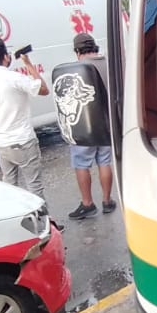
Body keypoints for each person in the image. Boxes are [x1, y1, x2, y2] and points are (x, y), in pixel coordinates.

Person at [0, 38, 48, 200]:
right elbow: (44, 90)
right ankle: (43, 223)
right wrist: (28, 64)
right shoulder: (14, 78)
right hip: (23, 141)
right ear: (6, 57)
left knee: (10, 187)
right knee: (34, 186)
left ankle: (15, 222)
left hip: (2, 143)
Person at [66, 33, 115, 219]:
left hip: (84, 125)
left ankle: (88, 204)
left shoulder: (77, 68)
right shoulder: (109, 63)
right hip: (107, 123)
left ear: (78, 51)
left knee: (81, 164)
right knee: (104, 161)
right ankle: (107, 201)